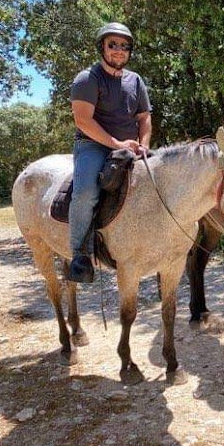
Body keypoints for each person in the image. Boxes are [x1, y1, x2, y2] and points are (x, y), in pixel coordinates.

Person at [67, 22, 152, 283]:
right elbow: (83, 120)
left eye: (124, 46)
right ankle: (80, 254)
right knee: (85, 192)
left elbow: (144, 118)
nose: (118, 50)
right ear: (102, 47)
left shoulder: (135, 80)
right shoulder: (87, 79)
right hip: (93, 144)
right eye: (112, 44)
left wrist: (144, 144)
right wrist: (117, 143)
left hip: (128, 146)